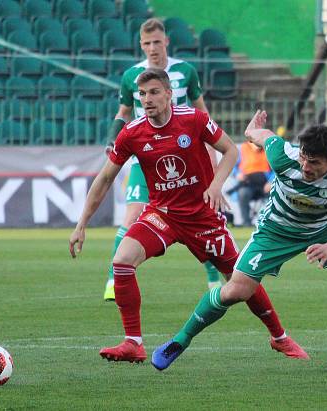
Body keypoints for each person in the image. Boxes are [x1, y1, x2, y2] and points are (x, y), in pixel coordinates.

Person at [70, 70, 308, 363]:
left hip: (202, 217)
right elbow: (105, 178)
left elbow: (231, 151)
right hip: (162, 215)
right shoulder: (132, 133)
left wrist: (216, 185)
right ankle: (133, 343)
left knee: (240, 279)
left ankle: (279, 337)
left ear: (169, 94)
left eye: (154, 92)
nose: (147, 100)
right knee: (121, 261)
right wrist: (82, 224)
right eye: (142, 94)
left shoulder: (193, 119)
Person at [151, 110, 327, 372]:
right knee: (236, 291)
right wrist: (252, 129)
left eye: (314, 162)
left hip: (325, 230)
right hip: (276, 229)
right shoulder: (282, 154)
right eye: (304, 157)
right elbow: (260, 136)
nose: (305, 166)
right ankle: (179, 341)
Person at [102, 18, 222, 301]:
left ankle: (213, 279)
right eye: (147, 43)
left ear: (166, 41)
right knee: (131, 216)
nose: (152, 48)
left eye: (157, 42)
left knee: (202, 217)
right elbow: (123, 112)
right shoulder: (131, 75)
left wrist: (213, 163)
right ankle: (112, 280)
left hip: (185, 156)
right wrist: (112, 136)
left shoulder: (185, 71)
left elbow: (202, 115)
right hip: (145, 157)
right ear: (141, 45)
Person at [233, 141, 272, 226]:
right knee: (242, 193)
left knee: (275, 193)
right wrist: (237, 174)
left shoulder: (268, 149)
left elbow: (276, 169)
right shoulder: (242, 148)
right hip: (248, 184)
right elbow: (234, 167)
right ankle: (246, 223)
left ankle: (272, 223)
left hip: (265, 185)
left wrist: (271, 182)